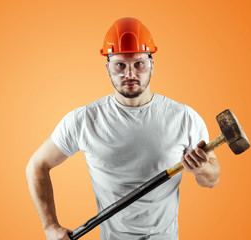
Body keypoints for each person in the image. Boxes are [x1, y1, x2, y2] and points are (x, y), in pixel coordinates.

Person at [26, 17, 221, 240]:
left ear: (152, 65)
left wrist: (201, 169)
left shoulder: (184, 117)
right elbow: (36, 165)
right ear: (107, 68)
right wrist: (50, 226)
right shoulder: (84, 120)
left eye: (139, 64)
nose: (130, 74)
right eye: (120, 65)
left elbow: (212, 179)